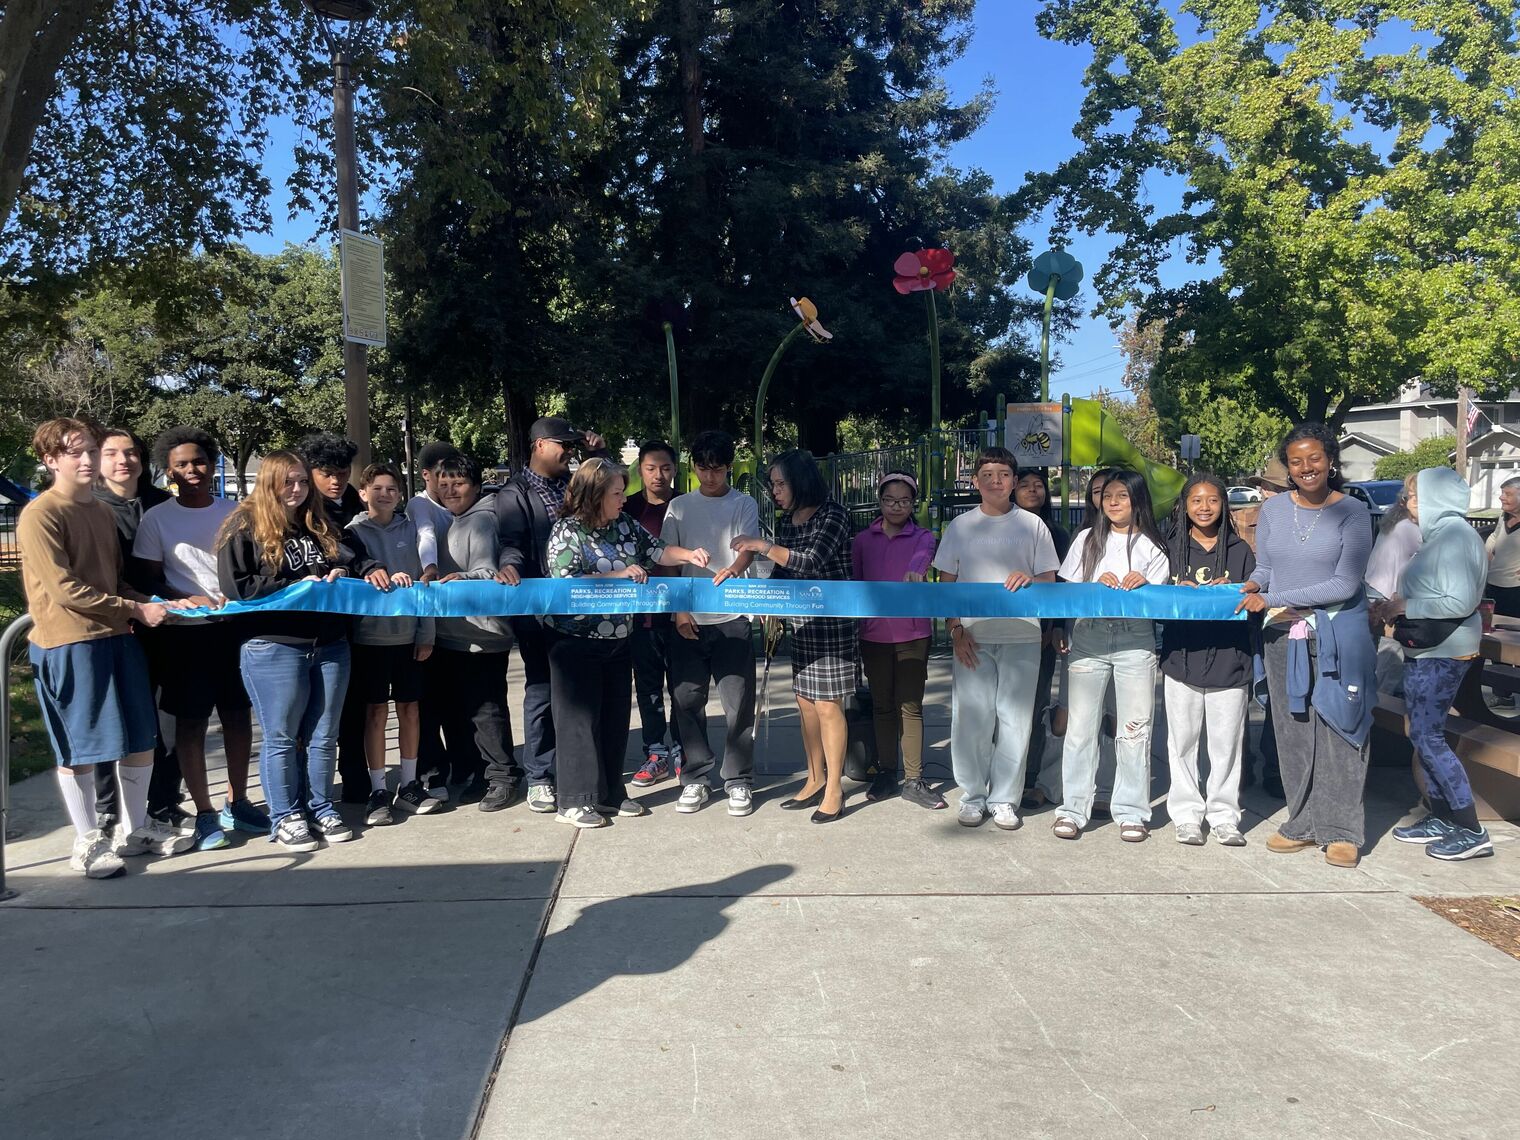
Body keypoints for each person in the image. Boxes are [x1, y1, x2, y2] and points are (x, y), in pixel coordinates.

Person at [18, 418, 192, 878]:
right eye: (74, 452)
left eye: (90, 450)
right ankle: (87, 840)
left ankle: (135, 830)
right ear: (50, 460)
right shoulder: (41, 513)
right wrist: (135, 611)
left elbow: (113, 581)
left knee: (140, 739)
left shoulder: (98, 511)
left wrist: (155, 603)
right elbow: (65, 590)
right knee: (81, 749)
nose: (87, 460)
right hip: (69, 643)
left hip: (118, 638)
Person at [216, 450, 390, 852]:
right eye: (287, 482)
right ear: (269, 482)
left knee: (324, 736)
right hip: (273, 646)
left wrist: (359, 570)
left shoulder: (320, 520)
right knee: (281, 736)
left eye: (301, 482)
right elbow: (237, 587)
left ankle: (320, 805)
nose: (296, 489)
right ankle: (285, 816)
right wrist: (303, 584)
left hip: (330, 643)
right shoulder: (243, 525)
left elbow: (355, 556)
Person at [543, 458, 710, 828]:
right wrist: (618, 574)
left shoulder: (623, 524)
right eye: (617, 493)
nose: (623, 498)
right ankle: (573, 802)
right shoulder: (566, 531)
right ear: (595, 494)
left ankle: (609, 796)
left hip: (619, 638)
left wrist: (689, 555)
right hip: (574, 641)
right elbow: (564, 583)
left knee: (615, 718)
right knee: (578, 722)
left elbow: (657, 551)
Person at [1238, 423, 1376, 869]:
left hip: (1337, 634)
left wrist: (1269, 598)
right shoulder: (1274, 509)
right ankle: (1302, 821)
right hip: (1283, 635)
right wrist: (1254, 584)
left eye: (1313, 458)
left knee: (1340, 727)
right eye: (1295, 461)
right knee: (1293, 731)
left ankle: (1343, 831)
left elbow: (1344, 583)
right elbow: (1266, 566)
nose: (1305, 468)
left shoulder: (1353, 512)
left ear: (1330, 459)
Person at [134, 427, 265, 851]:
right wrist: (184, 598)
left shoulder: (237, 512)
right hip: (185, 636)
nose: (192, 470)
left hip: (235, 629)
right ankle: (205, 815)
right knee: (191, 724)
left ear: (212, 464)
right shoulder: (157, 519)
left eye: (199, 461)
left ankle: (237, 801)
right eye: (181, 465)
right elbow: (148, 580)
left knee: (238, 716)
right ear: (169, 471)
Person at [935, 449, 1060, 830]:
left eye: (1003, 474)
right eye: (987, 474)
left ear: (1013, 480)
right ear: (975, 481)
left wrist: (1029, 577)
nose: (995, 481)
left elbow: (1049, 581)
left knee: (1016, 720)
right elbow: (946, 585)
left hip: (1022, 635)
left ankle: (1004, 798)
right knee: (972, 719)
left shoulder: (1033, 526)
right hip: (973, 637)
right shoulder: (960, 526)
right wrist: (955, 630)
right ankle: (972, 795)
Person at [494, 417, 612, 814]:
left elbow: (608, 496)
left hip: (581, 612)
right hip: (539, 611)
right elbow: (511, 543)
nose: (570, 453)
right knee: (542, 690)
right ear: (541, 445)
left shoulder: (574, 484)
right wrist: (509, 566)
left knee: (578, 696)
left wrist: (599, 455)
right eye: (565, 445)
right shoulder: (514, 493)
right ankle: (540, 776)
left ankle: (576, 772)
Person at [731, 450, 856, 823]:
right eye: (772, 484)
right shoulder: (788, 520)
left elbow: (810, 561)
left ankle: (835, 787)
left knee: (828, 705)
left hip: (832, 622)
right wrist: (770, 604)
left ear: (801, 481)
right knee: (805, 702)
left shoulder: (833, 514)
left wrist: (762, 545)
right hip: (801, 622)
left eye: (780, 483)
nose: (775, 490)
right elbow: (784, 575)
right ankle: (814, 777)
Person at [1381, 467, 1494, 860]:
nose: (1406, 503)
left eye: (1413, 495)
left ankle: (1471, 828)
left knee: (1429, 737)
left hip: (1443, 651)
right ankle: (1443, 815)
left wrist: (1403, 605)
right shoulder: (1443, 536)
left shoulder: (1456, 537)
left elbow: (1459, 602)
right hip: (1428, 650)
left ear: (1435, 498)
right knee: (1423, 735)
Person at [1052, 469, 1170, 842]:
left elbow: (1162, 599)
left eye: (1123, 495)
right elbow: (1066, 591)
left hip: (1135, 640)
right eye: (1108, 496)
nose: (1114, 502)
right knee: (1080, 729)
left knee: (1134, 729)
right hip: (1088, 637)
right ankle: (1072, 808)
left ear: (1138, 500)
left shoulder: (1155, 544)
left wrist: (1145, 584)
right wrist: (1092, 586)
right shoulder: (1087, 538)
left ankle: (1132, 812)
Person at [665, 431, 762, 817]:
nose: (710, 476)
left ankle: (739, 779)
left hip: (733, 614)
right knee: (687, 699)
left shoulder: (744, 503)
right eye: (703, 468)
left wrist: (734, 568)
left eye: (718, 469)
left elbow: (747, 549)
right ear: (694, 467)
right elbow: (668, 558)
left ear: (729, 467)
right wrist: (679, 609)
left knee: (738, 703)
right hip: (689, 614)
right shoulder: (679, 507)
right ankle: (695, 777)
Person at [1161, 473, 1255, 847]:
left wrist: (1229, 593)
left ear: (1224, 505)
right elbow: (1152, 602)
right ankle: (1186, 815)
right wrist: (1174, 593)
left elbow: (1253, 603)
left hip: (1230, 659)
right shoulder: (1168, 547)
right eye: (1196, 500)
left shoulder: (1240, 550)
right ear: (1184, 505)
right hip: (1181, 659)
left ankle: (1224, 815)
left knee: (1226, 744)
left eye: (1212, 500)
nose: (1204, 507)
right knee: (1181, 741)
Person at [93, 426, 179, 837]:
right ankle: (108, 809)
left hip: (166, 623)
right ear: (97, 459)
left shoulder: (164, 504)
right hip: (114, 625)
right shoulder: (89, 508)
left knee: (167, 721)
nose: (123, 460)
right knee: (116, 722)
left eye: (130, 452)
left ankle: (165, 800)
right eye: (112, 453)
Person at [346, 462, 439, 825]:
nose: (385, 494)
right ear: (363, 492)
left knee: (411, 711)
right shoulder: (353, 533)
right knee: (374, 714)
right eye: (378, 488)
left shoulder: (412, 529)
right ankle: (377, 789)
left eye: (392, 488)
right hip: (369, 639)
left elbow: (423, 587)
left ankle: (410, 784)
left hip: (409, 638)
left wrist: (426, 633)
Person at [432, 454, 523, 811]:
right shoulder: (451, 519)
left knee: (486, 711)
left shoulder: (483, 520)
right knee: (461, 711)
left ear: (475, 485)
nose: (450, 490)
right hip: (452, 634)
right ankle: (478, 774)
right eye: (443, 484)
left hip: (483, 635)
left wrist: (461, 578)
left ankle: (502, 776)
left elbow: (489, 572)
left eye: (458, 483)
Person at [851, 472, 940, 808]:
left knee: (910, 705)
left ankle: (914, 779)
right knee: (882, 705)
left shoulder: (923, 536)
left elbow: (922, 559)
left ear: (913, 503)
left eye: (904, 501)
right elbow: (857, 584)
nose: (897, 506)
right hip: (873, 633)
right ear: (880, 501)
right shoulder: (862, 540)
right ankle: (887, 772)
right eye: (890, 500)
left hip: (914, 633)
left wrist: (916, 573)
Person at [298, 432, 370, 803]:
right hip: (296, 633)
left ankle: (355, 781)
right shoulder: (295, 506)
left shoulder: (356, 501)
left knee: (349, 709)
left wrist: (364, 566)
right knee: (301, 718)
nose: (335, 479)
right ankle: (298, 793)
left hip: (346, 629)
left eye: (342, 471)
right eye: (326, 472)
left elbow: (359, 551)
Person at [624, 440, 685, 784]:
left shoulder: (686, 505)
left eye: (665, 468)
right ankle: (655, 750)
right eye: (650, 468)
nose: (658, 475)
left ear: (675, 469)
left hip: (680, 613)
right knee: (647, 686)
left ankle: (681, 747)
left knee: (682, 685)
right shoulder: (627, 507)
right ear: (640, 471)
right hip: (640, 614)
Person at [1014, 466, 1072, 807]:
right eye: (1025, 484)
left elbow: (1061, 585)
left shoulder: (1056, 532)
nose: (1033, 490)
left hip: (1042, 632)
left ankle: (1031, 774)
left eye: (1039, 485)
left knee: (1034, 705)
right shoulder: (998, 528)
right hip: (999, 630)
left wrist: (1055, 626)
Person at [1238, 456, 1291, 798]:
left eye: (1277, 488)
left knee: (1281, 697)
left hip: (1285, 619)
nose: (1267, 492)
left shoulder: (1307, 524)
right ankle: (1239, 767)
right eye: (1266, 487)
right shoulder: (1240, 520)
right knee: (1239, 691)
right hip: (1243, 615)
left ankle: (1277, 769)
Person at [1364, 474, 1421, 696]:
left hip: (1373, 587)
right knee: (1391, 655)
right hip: (1389, 594)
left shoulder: (1393, 521)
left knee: (1377, 654)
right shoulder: (1410, 528)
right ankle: (1384, 712)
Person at [408, 440, 461, 583]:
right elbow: (426, 534)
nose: (450, 476)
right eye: (443, 472)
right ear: (426, 474)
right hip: (434, 587)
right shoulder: (420, 503)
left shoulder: (461, 503)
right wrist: (430, 568)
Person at [1485, 476, 1520, 618]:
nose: (1501, 497)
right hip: (1493, 583)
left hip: (1515, 588)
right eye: (1502, 493)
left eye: (1508, 494)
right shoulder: (1503, 516)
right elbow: (1494, 536)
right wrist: (1484, 555)